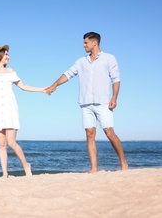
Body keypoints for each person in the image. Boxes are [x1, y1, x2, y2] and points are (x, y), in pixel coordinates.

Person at [46, 32, 128, 173]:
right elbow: (68, 74)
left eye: (86, 43)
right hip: (85, 103)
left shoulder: (109, 58)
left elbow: (116, 79)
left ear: (94, 43)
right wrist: (55, 85)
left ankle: (123, 162)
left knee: (109, 132)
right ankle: (94, 167)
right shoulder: (81, 62)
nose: (84, 45)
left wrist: (115, 97)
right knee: (90, 134)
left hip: (103, 102)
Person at [0, 44, 47, 178]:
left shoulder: (11, 71)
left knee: (11, 142)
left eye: (8, 54)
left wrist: (41, 89)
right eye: (6, 54)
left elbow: (23, 87)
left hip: (10, 109)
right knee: (1, 143)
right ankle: (5, 174)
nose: (8, 57)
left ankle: (26, 165)